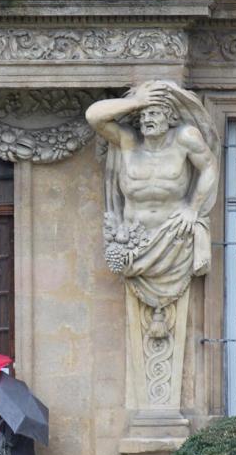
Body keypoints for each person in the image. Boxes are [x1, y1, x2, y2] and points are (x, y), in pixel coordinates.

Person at [85, 81, 219, 338]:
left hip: (174, 238)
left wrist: (193, 208)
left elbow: (209, 168)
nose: (147, 119)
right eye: (144, 115)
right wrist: (138, 101)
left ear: (169, 117)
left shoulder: (184, 138)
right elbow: (94, 116)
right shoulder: (128, 141)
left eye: (154, 113)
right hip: (134, 243)